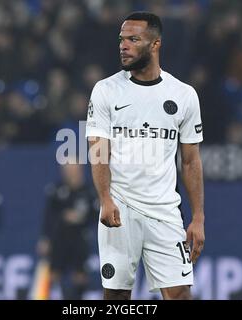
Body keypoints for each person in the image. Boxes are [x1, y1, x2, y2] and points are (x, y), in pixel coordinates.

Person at [85, 12, 205, 300]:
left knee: (180, 295)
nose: (123, 45)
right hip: (120, 208)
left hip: (165, 212)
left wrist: (198, 217)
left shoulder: (184, 95)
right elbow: (98, 150)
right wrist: (105, 198)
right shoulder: (106, 90)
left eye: (133, 39)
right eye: (121, 39)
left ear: (155, 44)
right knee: (115, 297)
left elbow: (190, 161)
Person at [37, 161, 99, 299]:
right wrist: (45, 238)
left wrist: (81, 218)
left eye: (72, 170)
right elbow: (49, 217)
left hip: (80, 238)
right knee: (54, 273)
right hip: (59, 239)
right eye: (66, 170)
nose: (69, 173)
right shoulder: (56, 190)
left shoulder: (89, 191)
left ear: (80, 170)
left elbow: (96, 216)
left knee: (80, 274)